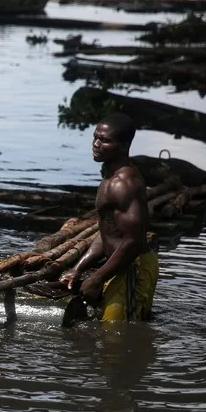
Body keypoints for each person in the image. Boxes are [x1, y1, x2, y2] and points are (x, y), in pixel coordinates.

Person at [60, 113, 159, 323]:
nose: (95, 144)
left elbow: (133, 241)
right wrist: (78, 269)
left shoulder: (124, 184)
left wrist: (97, 278)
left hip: (133, 266)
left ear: (123, 146)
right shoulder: (109, 175)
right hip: (119, 264)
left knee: (116, 336)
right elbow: (108, 230)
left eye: (104, 140)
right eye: (95, 137)